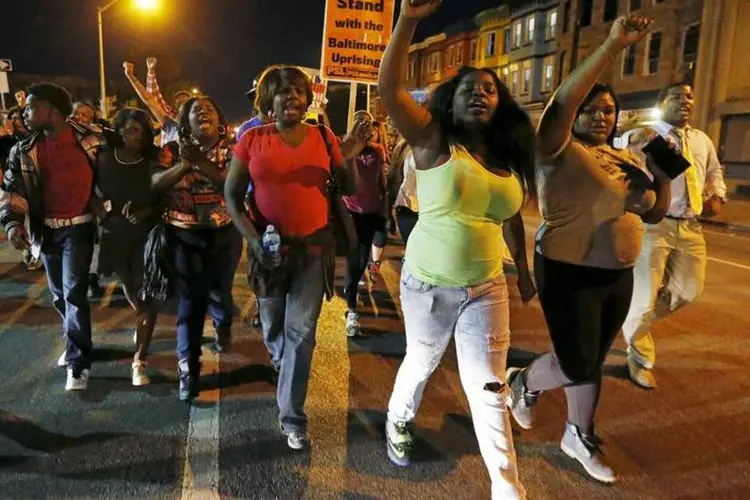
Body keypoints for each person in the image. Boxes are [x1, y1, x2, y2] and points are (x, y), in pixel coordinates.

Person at [378, 2, 538, 498]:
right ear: (452, 100)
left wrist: (525, 272)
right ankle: (397, 420)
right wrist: (408, 20)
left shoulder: (508, 159)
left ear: (500, 102)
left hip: (487, 288)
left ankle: (507, 488)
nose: (479, 95)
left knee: (488, 387)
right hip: (428, 285)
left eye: (489, 89)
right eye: (469, 89)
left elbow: (510, 216)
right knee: (421, 362)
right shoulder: (432, 139)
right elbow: (389, 90)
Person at [504, 15, 673, 485]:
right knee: (575, 360)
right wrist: (614, 44)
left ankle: (578, 434)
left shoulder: (623, 156)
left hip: (615, 276)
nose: (601, 116)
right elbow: (559, 104)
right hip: (567, 270)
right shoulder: (559, 150)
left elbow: (654, 213)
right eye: (592, 109)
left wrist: (659, 176)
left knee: (591, 359)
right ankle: (524, 383)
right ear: (577, 116)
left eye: (608, 111)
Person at [225, 65, 368, 450]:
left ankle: (292, 417)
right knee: (273, 329)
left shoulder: (323, 137)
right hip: (269, 250)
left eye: (300, 92)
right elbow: (232, 196)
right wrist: (252, 240)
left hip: (313, 249)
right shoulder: (252, 139)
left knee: (301, 334)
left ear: (309, 99)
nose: (293, 98)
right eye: (283, 92)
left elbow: (350, 187)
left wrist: (347, 153)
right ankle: (281, 363)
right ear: (268, 99)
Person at [618, 83, 727, 389]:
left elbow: (714, 171)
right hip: (654, 224)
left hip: (692, 227)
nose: (685, 101)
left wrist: (716, 195)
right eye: (677, 97)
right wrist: (632, 137)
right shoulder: (648, 134)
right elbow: (621, 144)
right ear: (661, 102)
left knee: (688, 291)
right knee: (644, 297)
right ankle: (639, 356)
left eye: (689, 97)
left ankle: (630, 323)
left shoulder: (701, 139)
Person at [0, 83, 106, 391]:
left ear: (53, 111)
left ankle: (78, 362)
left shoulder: (92, 141)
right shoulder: (23, 150)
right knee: (59, 294)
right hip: (46, 231)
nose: (25, 113)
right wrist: (12, 224)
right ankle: (77, 341)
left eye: (32, 107)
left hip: (80, 227)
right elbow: (12, 191)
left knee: (74, 291)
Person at [151, 95, 242, 401]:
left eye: (209, 109)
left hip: (224, 234)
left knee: (221, 294)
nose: (203, 112)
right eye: (194, 111)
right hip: (184, 236)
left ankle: (223, 322)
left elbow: (230, 185)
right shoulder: (172, 150)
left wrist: (198, 162)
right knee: (190, 302)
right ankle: (188, 368)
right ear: (185, 122)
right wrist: (183, 164)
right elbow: (155, 183)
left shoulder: (233, 150)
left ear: (220, 121)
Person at [96, 108, 161, 386]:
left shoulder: (155, 161)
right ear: (119, 129)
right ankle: (141, 322)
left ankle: (139, 360)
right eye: (132, 129)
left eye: (143, 130)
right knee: (134, 295)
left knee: (147, 300)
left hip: (148, 238)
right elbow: (90, 192)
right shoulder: (102, 159)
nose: (138, 135)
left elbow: (168, 194)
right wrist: (100, 209)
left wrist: (147, 211)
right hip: (116, 237)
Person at [342, 116, 389, 337]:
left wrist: (384, 207)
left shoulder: (378, 151)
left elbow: (379, 179)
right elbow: (347, 176)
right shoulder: (346, 148)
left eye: (369, 127)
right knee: (355, 260)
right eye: (361, 126)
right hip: (351, 212)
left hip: (371, 211)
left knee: (361, 261)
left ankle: (350, 291)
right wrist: (353, 145)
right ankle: (351, 309)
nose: (367, 131)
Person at [124, 58, 191, 146]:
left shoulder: (197, 129)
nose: (183, 104)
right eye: (180, 102)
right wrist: (132, 76)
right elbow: (151, 99)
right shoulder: (170, 124)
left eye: (186, 102)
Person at [365, 119, 391, 282]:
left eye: (372, 132)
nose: (369, 135)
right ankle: (363, 267)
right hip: (360, 203)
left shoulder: (383, 155)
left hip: (380, 203)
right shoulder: (358, 152)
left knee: (379, 236)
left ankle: (374, 265)